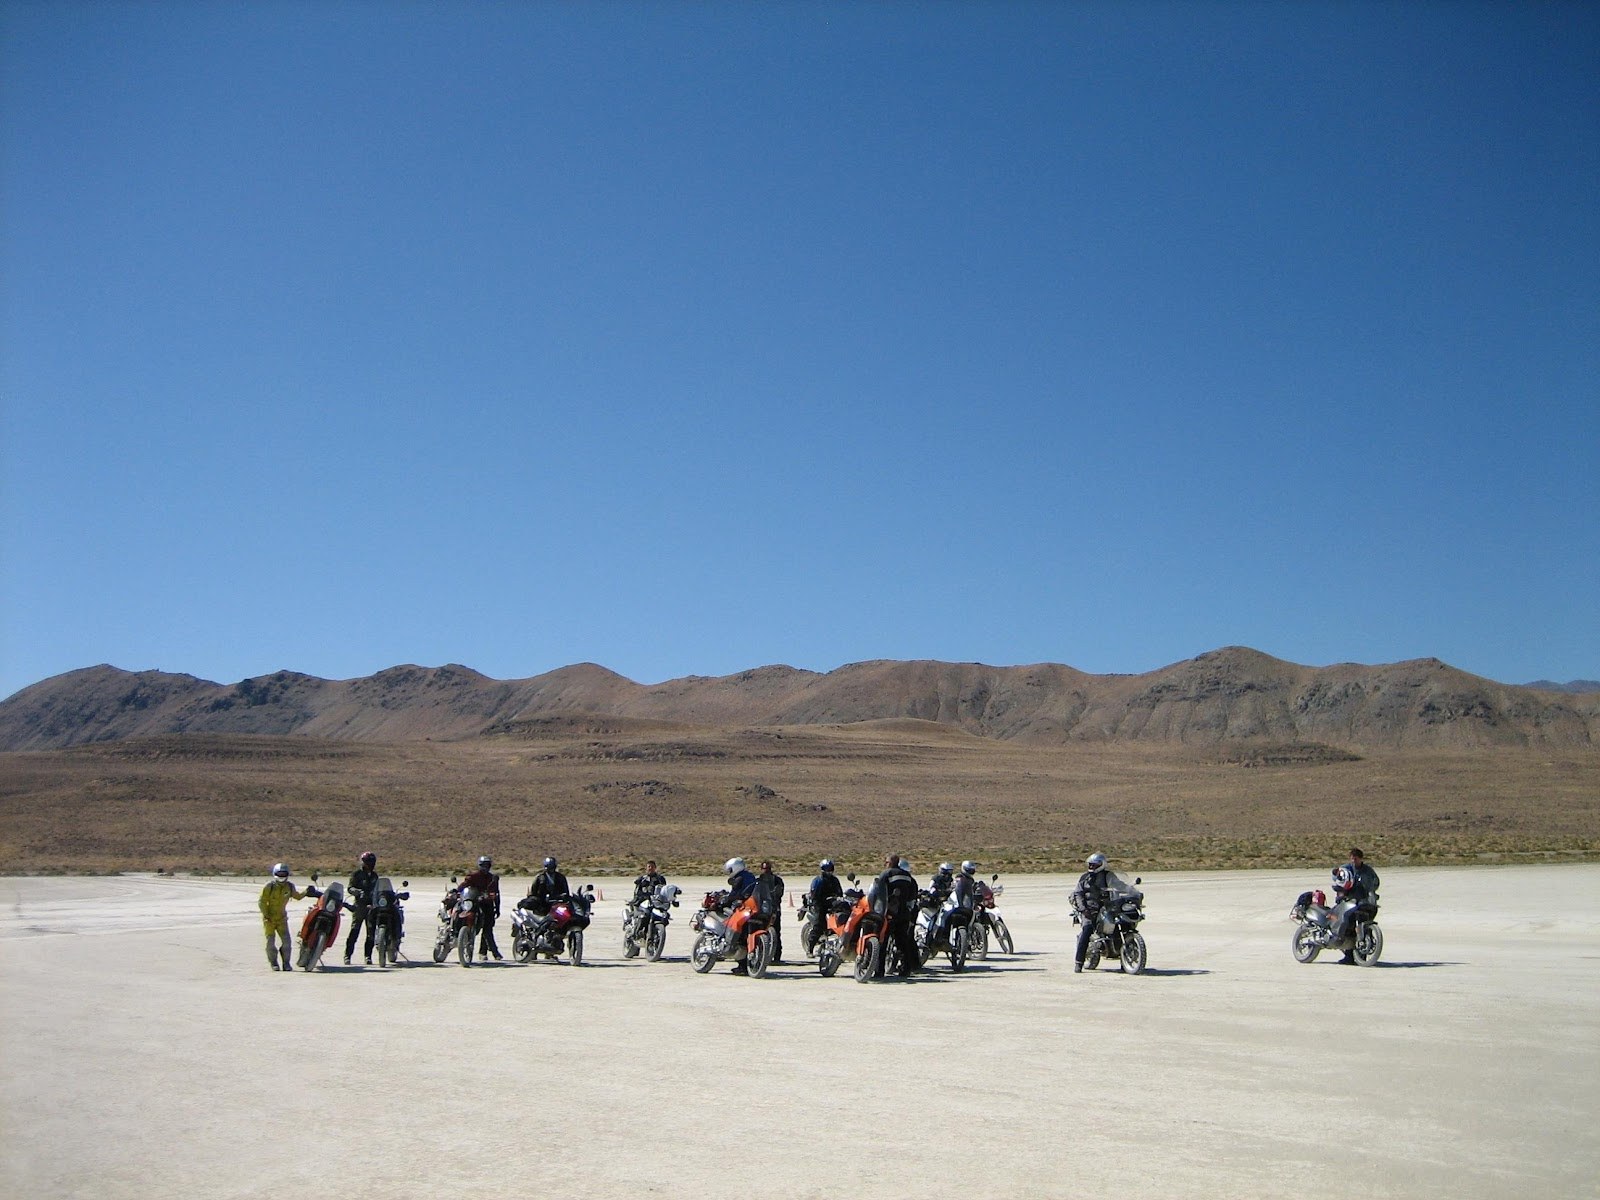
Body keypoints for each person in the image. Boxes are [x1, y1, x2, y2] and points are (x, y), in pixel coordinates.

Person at [258, 863, 316, 972]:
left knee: (287, 942)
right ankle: (274, 963)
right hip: (269, 919)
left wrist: (306, 892)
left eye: (283, 873)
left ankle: (286, 963)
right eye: (279, 873)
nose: (281, 875)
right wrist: (266, 915)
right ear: (274, 874)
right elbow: (261, 902)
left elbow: (297, 896)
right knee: (270, 942)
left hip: (282, 919)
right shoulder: (269, 887)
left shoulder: (289, 886)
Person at [870, 854, 919, 978]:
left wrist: (878, 911)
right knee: (903, 942)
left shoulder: (886, 874)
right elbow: (913, 895)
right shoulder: (908, 876)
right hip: (904, 913)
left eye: (886, 862)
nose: (885, 864)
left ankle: (879, 970)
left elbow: (879, 894)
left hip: (889, 913)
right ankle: (905, 969)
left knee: (882, 941)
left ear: (891, 863)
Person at [1333, 848, 1381, 963]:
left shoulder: (1368, 871)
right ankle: (1349, 956)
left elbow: (1376, 882)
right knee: (1348, 928)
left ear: (1361, 858)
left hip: (1363, 902)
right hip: (1349, 902)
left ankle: (1362, 954)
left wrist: (1371, 890)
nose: (1353, 860)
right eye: (1352, 858)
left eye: (1356, 858)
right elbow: (1337, 877)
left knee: (1364, 927)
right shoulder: (1346, 868)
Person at [1072, 853, 1112, 973]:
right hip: (1089, 910)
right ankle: (1079, 962)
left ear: (1102, 865)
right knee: (1088, 929)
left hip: (1107, 908)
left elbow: (1121, 886)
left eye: (1095, 865)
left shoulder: (1109, 876)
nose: (1092, 867)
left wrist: (1131, 891)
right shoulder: (1085, 878)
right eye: (1090, 864)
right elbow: (1078, 894)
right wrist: (1083, 909)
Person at [525, 855, 571, 957]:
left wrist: (564, 899)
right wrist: (535, 901)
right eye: (549, 867)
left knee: (556, 927)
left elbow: (566, 892)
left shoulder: (560, 877)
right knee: (539, 926)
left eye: (552, 867)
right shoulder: (539, 877)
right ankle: (534, 949)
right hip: (541, 906)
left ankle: (550, 950)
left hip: (556, 906)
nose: (551, 869)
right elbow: (533, 892)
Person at [343, 851, 381, 966]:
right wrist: (358, 892)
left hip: (371, 906)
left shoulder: (374, 876)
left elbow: (378, 889)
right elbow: (350, 888)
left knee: (371, 933)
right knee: (354, 931)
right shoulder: (357, 874)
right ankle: (347, 955)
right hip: (359, 906)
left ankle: (368, 956)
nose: (370, 864)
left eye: (372, 862)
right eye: (368, 862)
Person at [462, 855, 503, 960]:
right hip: (475, 904)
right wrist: (456, 891)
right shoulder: (473, 876)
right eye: (483, 865)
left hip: (487, 906)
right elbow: (464, 885)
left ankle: (487, 952)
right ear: (480, 865)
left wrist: (497, 908)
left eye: (487, 865)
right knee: (475, 927)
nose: (485, 867)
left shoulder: (492, 878)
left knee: (487, 929)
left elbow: (496, 894)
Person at [722, 857, 759, 974]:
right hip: (753, 907)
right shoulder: (750, 876)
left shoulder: (739, 878)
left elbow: (735, 894)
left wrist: (725, 901)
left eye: (730, 869)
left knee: (736, 932)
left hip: (743, 908)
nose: (729, 872)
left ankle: (740, 962)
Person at [805, 859, 844, 954]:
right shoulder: (818, 880)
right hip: (820, 905)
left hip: (832, 904)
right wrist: (823, 900)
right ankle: (809, 949)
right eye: (827, 868)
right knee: (819, 924)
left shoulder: (835, 880)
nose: (829, 871)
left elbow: (840, 892)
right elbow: (814, 896)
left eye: (830, 868)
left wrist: (838, 898)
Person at [757, 860, 786, 962]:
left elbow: (779, 893)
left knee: (776, 931)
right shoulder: (758, 880)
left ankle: (777, 956)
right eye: (764, 869)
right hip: (760, 910)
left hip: (773, 909)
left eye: (768, 869)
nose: (766, 871)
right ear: (761, 869)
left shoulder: (777, 880)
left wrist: (775, 894)